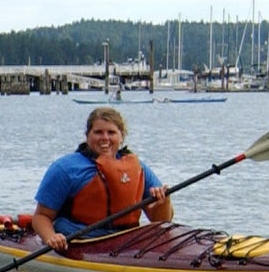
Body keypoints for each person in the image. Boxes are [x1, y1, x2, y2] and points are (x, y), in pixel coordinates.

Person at [30, 106, 171, 252]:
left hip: (127, 241)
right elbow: (41, 216)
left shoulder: (138, 167)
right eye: (98, 132)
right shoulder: (65, 168)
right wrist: (51, 237)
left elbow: (162, 222)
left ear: (121, 136)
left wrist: (164, 201)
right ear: (87, 136)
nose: (105, 138)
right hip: (80, 241)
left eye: (111, 132)